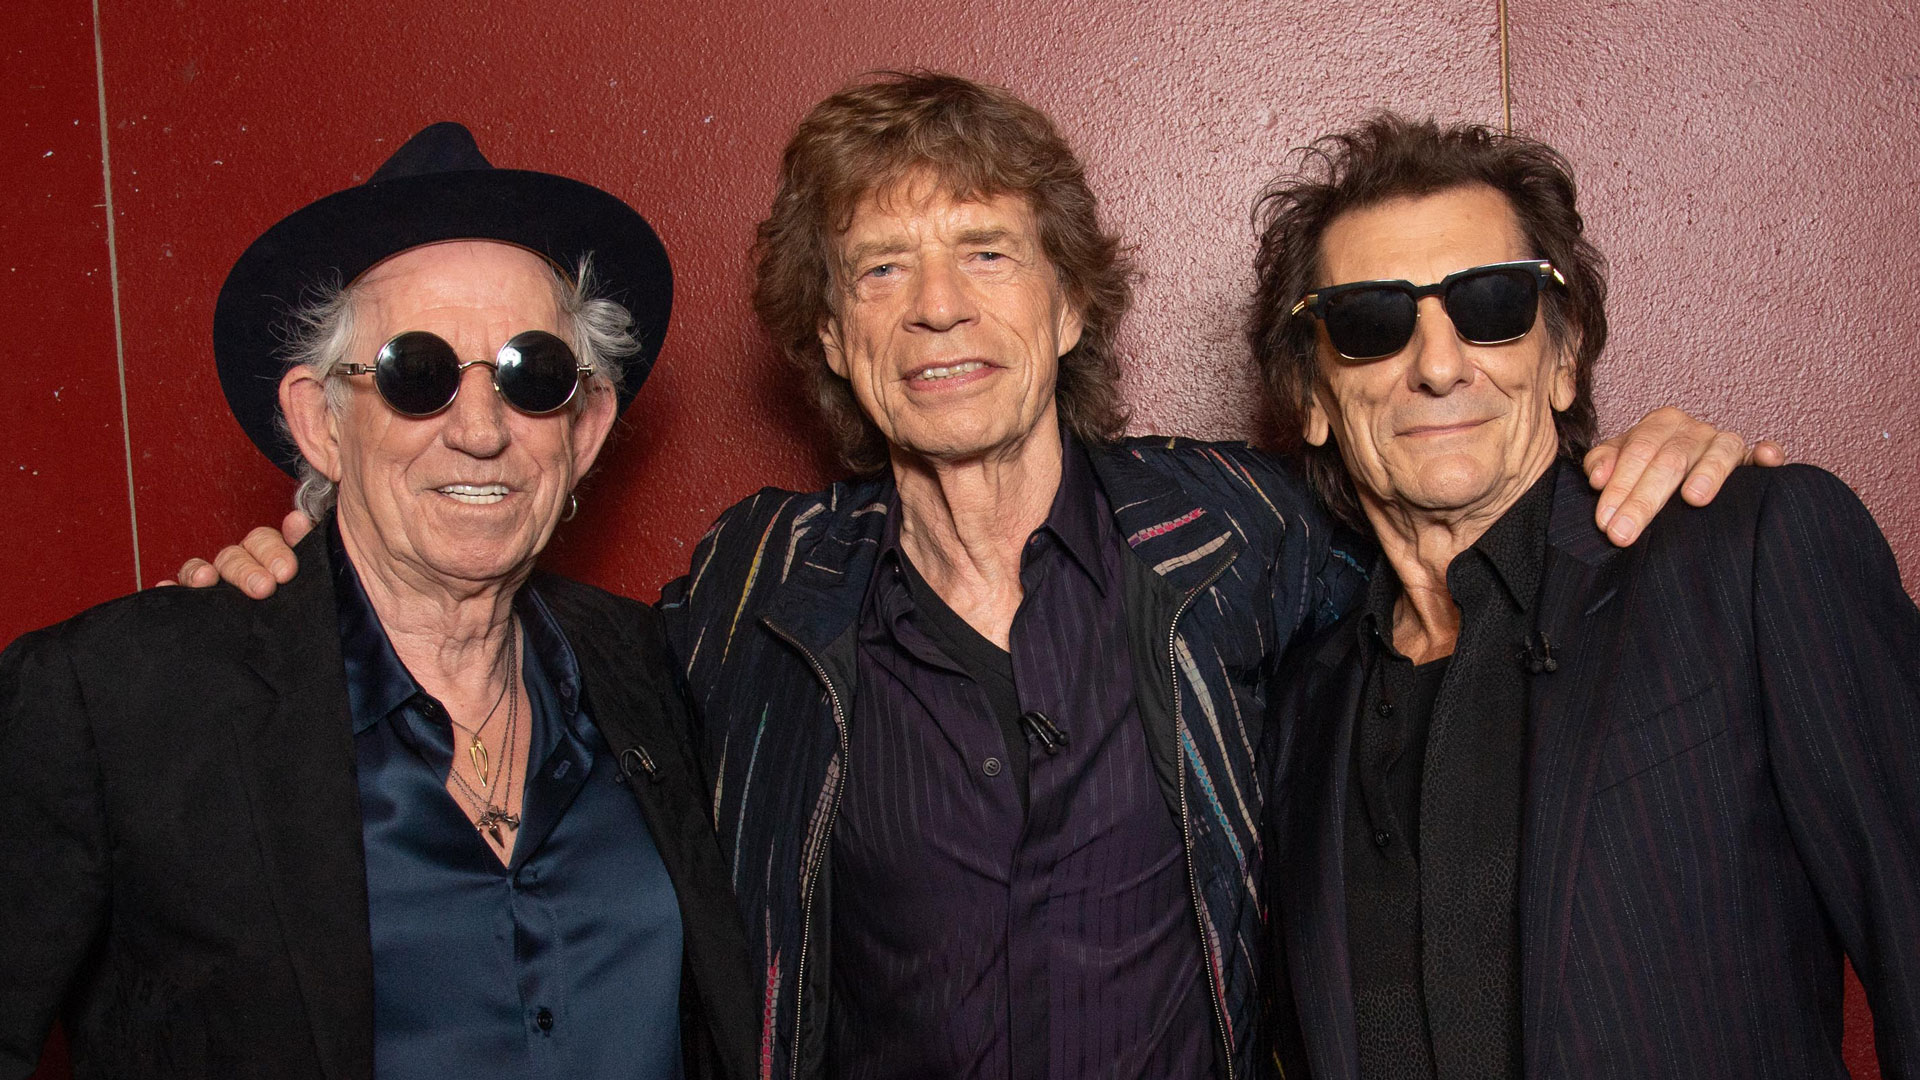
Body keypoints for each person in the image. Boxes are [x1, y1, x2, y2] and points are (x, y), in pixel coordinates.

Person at [175, 75, 1772, 1080]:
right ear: (830, 343)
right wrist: (313, 565)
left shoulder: (1238, 532)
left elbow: (1452, 496)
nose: (939, 310)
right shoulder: (758, 586)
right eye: (883, 268)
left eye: (988, 254)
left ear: (1073, 310)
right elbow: (499, 641)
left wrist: (1646, 461)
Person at [0, 123, 754, 1080]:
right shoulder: (119, 702)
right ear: (321, 421)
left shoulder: (660, 671)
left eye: (533, 376)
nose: (480, 431)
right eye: (418, 375)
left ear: (587, 425)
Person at [1251, 114, 1920, 1079]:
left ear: (1563, 359)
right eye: (1369, 322)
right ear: (1311, 396)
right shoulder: (1301, 705)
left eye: (1493, 304)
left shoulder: (1749, 550)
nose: (1438, 366)